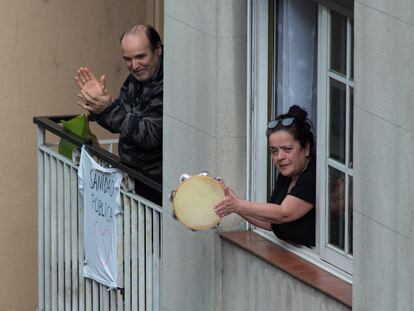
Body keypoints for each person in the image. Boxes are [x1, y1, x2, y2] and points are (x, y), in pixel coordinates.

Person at [214, 105, 316, 247]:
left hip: (314, 263)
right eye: (274, 151)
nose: (279, 157)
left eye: (287, 149)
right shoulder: (288, 173)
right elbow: (271, 222)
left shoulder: (314, 177)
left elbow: (283, 213)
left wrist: (238, 205)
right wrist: (235, 205)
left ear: (306, 148)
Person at [75, 24, 163, 182]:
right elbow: (118, 123)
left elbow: (151, 135)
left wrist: (108, 109)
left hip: (156, 183)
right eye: (128, 59)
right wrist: (98, 106)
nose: (134, 66)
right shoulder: (136, 79)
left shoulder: (169, 83)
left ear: (158, 49)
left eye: (141, 57)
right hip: (131, 177)